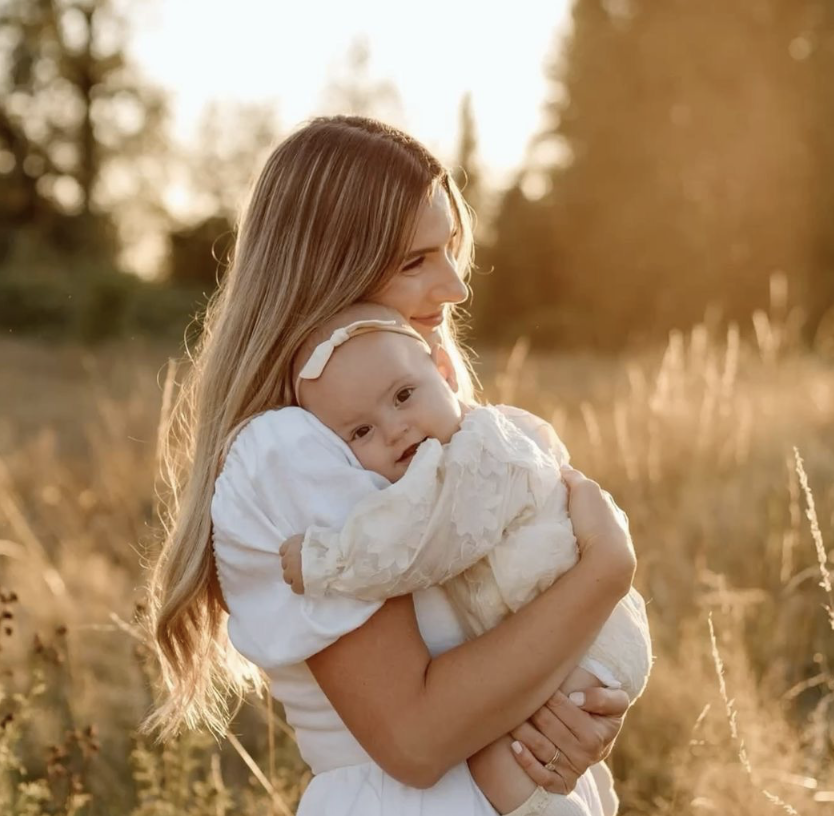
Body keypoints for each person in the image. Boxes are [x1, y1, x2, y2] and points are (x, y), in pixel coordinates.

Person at [144, 116, 636, 816]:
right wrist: (605, 571)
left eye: (449, 251)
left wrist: (571, 721)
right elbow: (414, 739)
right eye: (414, 261)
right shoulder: (291, 450)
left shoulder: (413, 428)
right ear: (328, 270)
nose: (455, 289)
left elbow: (509, 648)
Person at [278, 301, 652, 816]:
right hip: (587, 623)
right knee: (519, 750)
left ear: (445, 371)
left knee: (505, 757)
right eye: (360, 432)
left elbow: (419, 542)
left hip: (601, 631)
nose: (394, 429)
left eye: (404, 396)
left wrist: (325, 560)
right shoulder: (456, 450)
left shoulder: (478, 455)